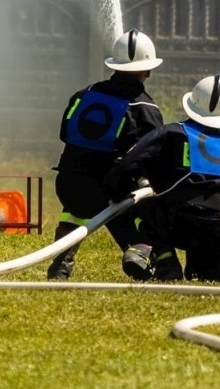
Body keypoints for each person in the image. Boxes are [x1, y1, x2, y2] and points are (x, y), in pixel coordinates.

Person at [103, 73, 220, 283]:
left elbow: (130, 163)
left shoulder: (173, 133)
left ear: (193, 103)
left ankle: (166, 263)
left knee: (144, 208)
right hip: (219, 226)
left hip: (179, 220)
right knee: (200, 274)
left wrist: (114, 191)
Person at [45, 29, 166, 281]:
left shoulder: (84, 94)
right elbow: (153, 154)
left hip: (68, 183)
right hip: (109, 190)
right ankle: (137, 253)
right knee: (141, 206)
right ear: (149, 70)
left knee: (75, 211)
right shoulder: (145, 108)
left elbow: (65, 133)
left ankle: (61, 263)